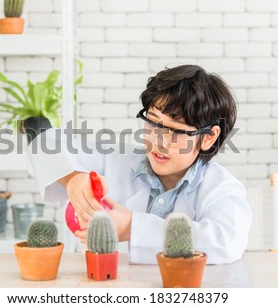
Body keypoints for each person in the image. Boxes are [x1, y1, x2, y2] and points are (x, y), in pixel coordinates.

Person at [27, 65, 252, 265]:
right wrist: (73, 178)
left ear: (209, 137)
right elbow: (44, 143)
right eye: (152, 123)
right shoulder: (115, 159)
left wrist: (131, 228)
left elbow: (225, 242)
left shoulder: (221, 188)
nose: (158, 141)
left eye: (176, 131)